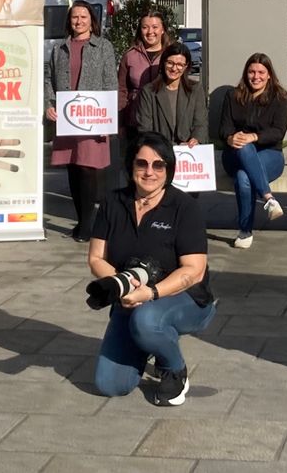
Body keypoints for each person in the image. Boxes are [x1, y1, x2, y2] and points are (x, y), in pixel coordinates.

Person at [89, 131, 216, 406]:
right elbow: (96, 258)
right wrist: (123, 284)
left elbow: (193, 270)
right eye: (141, 163)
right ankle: (149, 341)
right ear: (130, 166)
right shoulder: (113, 202)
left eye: (159, 165)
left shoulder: (185, 208)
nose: (150, 171)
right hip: (131, 298)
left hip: (186, 299)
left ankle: (174, 368)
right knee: (110, 384)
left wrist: (151, 293)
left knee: (146, 320)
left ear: (169, 169)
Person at [46, 0, 118, 242]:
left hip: (92, 118)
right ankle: (81, 221)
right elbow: (49, 79)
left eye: (83, 17)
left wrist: (107, 118)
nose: (78, 21)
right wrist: (49, 105)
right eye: (74, 17)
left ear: (92, 21)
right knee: (74, 169)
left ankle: (88, 225)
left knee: (88, 169)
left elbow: (110, 83)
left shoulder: (103, 47)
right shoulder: (59, 49)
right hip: (67, 119)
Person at [219, 53, 287, 249]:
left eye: (261, 72)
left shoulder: (280, 97)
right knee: (243, 147)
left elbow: (278, 132)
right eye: (251, 71)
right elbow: (223, 128)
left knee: (244, 178)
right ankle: (268, 198)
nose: (256, 76)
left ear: (269, 75)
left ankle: (245, 231)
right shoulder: (233, 96)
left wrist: (255, 137)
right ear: (246, 73)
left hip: (270, 155)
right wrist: (230, 137)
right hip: (234, 155)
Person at [136, 43, 207, 147]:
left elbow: (200, 123)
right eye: (170, 63)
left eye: (179, 65)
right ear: (163, 63)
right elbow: (144, 129)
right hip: (159, 150)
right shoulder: (148, 92)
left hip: (188, 152)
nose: (174, 68)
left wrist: (196, 139)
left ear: (186, 66)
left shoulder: (195, 89)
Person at [118, 9, 171, 149]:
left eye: (155, 27)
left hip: (165, 118)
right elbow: (121, 90)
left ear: (163, 29)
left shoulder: (172, 54)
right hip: (135, 120)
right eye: (145, 27)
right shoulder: (130, 56)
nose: (150, 32)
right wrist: (120, 122)